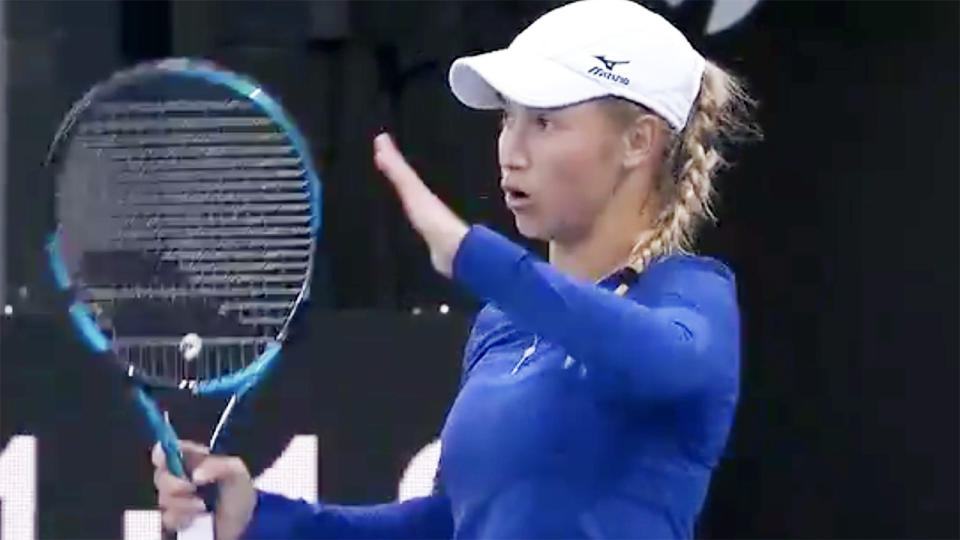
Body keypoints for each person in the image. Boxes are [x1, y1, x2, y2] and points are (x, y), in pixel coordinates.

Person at [152, 0, 756, 538]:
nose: (511, 150)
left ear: (638, 142)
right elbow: (447, 523)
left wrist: (475, 255)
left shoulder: (691, 295)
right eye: (506, 119)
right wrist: (262, 517)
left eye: (544, 122)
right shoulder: (501, 325)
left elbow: (662, 360)